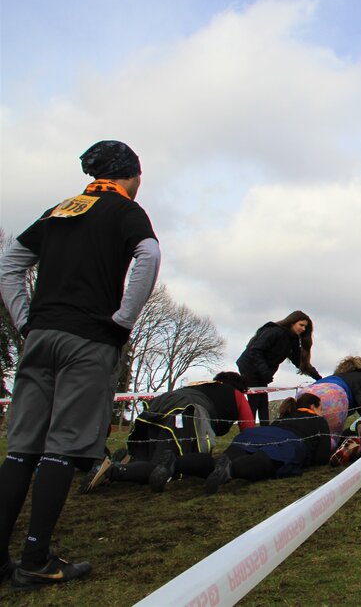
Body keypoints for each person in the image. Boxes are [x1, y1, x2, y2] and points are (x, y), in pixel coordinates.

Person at [0, 140, 160, 589]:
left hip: (41, 335)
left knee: (21, 448)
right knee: (61, 448)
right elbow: (148, 255)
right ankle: (35, 558)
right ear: (132, 175)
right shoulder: (126, 210)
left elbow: (10, 262)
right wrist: (123, 321)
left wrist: (25, 321)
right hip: (88, 338)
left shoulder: (61, 209)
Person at [85, 371, 256, 493]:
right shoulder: (237, 394)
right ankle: (111, 471)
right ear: (240, 388)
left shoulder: (200, 386)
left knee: (150, 457)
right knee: (164, 466)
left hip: (159, 404)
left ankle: (126, 461)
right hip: (186, 410)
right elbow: (249, 431)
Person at [166, 393, 332, 494]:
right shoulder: (319, 421)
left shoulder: (284, 416)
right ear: (313, 406)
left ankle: (176, 463)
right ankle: (231, 470)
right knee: (266, 461)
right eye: (321, 408)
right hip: (288, 442)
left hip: (255, 434)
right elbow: (322, 457)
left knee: (219, 461)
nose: (322, 412)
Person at [236, 311, 322, 425]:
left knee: (262, 401)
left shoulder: (293, 341)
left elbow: (300, 362)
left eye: (305, 326)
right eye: (301, 325)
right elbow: (255, 350)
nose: (303, 329)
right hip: (249, 366)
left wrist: (319, 378)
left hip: (262, 372)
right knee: (255, 400)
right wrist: (265, 371)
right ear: (292, 322)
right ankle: (248, 431)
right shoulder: (274, 331)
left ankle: (264, 429)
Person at [305, 356, 361, 440]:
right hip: (333, 396)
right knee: (329, 439)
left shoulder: (334, 376)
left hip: (307, 392)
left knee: (304, 434)